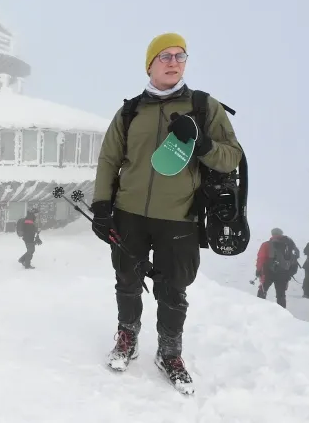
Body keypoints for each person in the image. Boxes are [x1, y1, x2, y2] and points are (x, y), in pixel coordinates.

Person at [90, 33, 243, 391]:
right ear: (150, 64)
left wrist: (202, 144)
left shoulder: (205, 107)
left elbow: (231, 154)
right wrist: (101, 205)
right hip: (129, 213)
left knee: (173, 288)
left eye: (180, 55)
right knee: (127, 279)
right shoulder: (130, 112)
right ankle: (127, 337)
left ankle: (169, 352)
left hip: (180, 215)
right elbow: (109, 159)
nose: (173, 62)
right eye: (165, 56)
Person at [256, 228, 299, 308]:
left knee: (262, 291)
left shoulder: (266, 244)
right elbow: (295, 256)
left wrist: (258, 270)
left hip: (268, 272)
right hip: (284, 273)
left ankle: (258, 309)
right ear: (281, 234)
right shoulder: (289, 244)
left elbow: (261, 258)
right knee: (281, 295)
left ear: (272, 234)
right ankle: (282, 314)